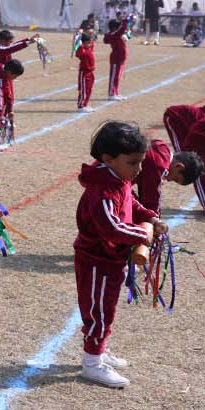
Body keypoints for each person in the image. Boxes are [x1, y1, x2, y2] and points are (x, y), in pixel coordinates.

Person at [73, 121, 167, 389]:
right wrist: (142, 235)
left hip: (111, 259)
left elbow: (130, 202)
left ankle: (98, 351)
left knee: (107, 308)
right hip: (96, 260)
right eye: (133, 162)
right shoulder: (102, 190)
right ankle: (92, 364)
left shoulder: (119, 180)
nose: (139, 169)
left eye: (141, 162)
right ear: (108, 159)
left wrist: (149, 216)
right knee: (98, 311)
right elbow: (111, 227)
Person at [135, 137, 203, 216]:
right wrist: (155, 219)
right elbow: (152, 200)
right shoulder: (159, 167)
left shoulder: (161, 146)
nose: (169, 180)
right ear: (179, 166)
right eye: (175, 179)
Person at [104, 13, 129, 101]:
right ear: (114, 28)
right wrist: (125, 21)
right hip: (116, 58)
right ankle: (111, 94)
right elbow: (121, 30)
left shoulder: (116, 34)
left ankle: (116, 92)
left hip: (121, 58)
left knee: (117, 77)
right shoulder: (114, 34)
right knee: (114, 77)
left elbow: (123, 31)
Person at [74, 23, 96, 111]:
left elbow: (92, 42)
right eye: (88, 43)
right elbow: (77, 53)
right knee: (83, 90)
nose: (90, 44)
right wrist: (79, 39)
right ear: (83, 43)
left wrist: (90, 34)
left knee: (89, 89)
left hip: (90, 72)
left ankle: (85, 104)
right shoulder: (82, 49)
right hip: (84, 73)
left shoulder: (89, 48)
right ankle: (81, 105)